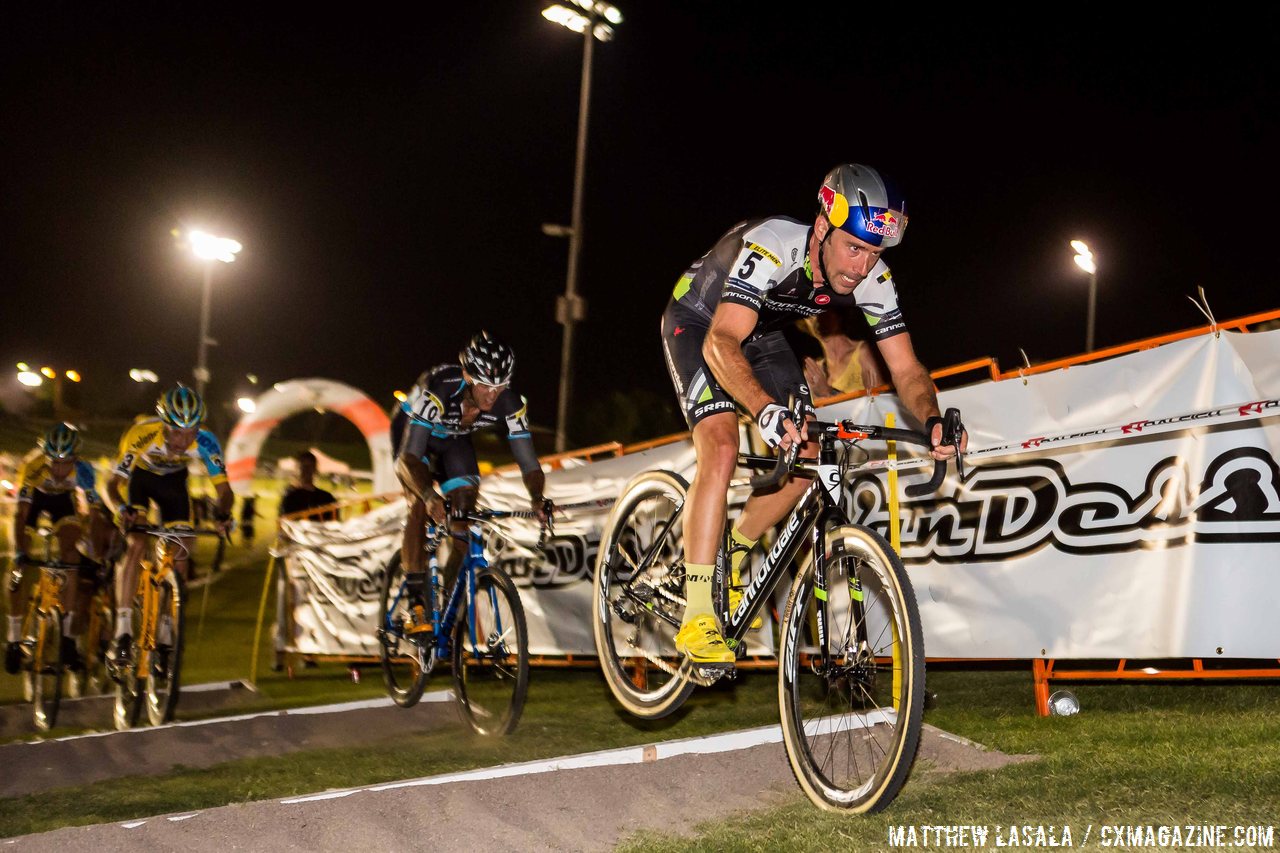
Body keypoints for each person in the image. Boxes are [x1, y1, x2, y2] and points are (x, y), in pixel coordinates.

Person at [660, 163, 967, 668]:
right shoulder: (772, 246)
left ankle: (733, 552)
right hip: (700, 325)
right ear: (823, 227)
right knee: (721, 446)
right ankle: (697, 614)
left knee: (808, 460)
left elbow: (907, 369)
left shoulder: (873, 275)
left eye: (874, 253)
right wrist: (763, 411)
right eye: (854, 248)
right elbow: (721, 341)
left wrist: (931, 418)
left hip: (759, 333)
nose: (862, 266)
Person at [393, 332, 550, 634]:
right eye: (485, 387)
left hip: (454, 442)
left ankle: (447, 603)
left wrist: (537, 498)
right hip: (415, 442)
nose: (493, 395)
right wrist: (428, 495)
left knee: (464, 521)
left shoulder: (511, 403)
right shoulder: (440, 389)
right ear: (467, 376)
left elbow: (529, 463)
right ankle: (415, 604)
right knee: (418, 504)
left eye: (500, 386)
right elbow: (409, 458)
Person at [103, 385, 233, 667]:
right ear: (163, 424)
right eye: (176, 432)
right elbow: (113, 484)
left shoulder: (206, 441)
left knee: (182, 550)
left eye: (191, 433)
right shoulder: (142, 434)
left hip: (174, 486)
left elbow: (224, 490)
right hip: (141, 480)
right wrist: (120, 509)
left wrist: (223, 514)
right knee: (137, 543)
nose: (183, 441)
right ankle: (122, 632)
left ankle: (164, 630)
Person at [5, 423, 112, 675]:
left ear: (76, 458)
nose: (60, 469)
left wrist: (97, 556)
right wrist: (20, 551)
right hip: (35, 502)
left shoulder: (83, 471)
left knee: (71, 556)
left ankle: (66, 638)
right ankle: (13, 636)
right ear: (46, 457)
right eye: (55, 462)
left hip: (64, 503)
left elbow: (94, 515)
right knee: (17, 564)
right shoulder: (33, 467)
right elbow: (20, 516)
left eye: (67, 463)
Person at [799, 311, 888, 397]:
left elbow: (879, 403)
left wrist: (828, 393)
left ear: (838, 315)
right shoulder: (816, 370)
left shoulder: (864, 354)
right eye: (809, 315)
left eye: (822, 311)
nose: (815, 318)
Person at [279, 451, 337, 519]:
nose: (306, 470)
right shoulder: (290, 497)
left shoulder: (327, 498)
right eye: (303, 467)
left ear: (315, 470)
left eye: (309, 467)